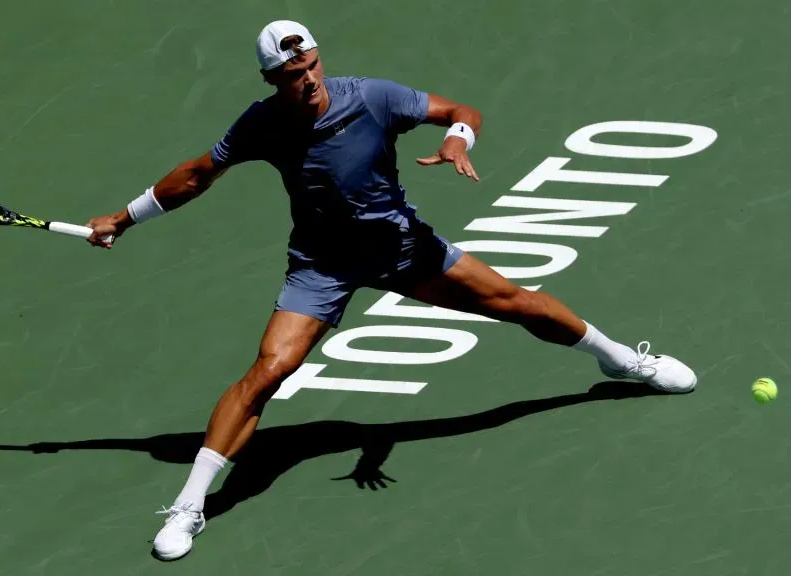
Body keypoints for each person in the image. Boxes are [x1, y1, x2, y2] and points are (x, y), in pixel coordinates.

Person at [84, 20, 698, 561]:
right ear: (271, 78)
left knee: (519, 303)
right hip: (320, 266)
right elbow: (196, 175)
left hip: (403, 250)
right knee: (269, 371)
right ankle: (190, 506)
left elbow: (464, 111)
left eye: (312, 65)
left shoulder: (373, 97)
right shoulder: (261, 126)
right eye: (293, 73)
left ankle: (623, 361)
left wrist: (459, 138)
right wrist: (122, 217)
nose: (309, 79)